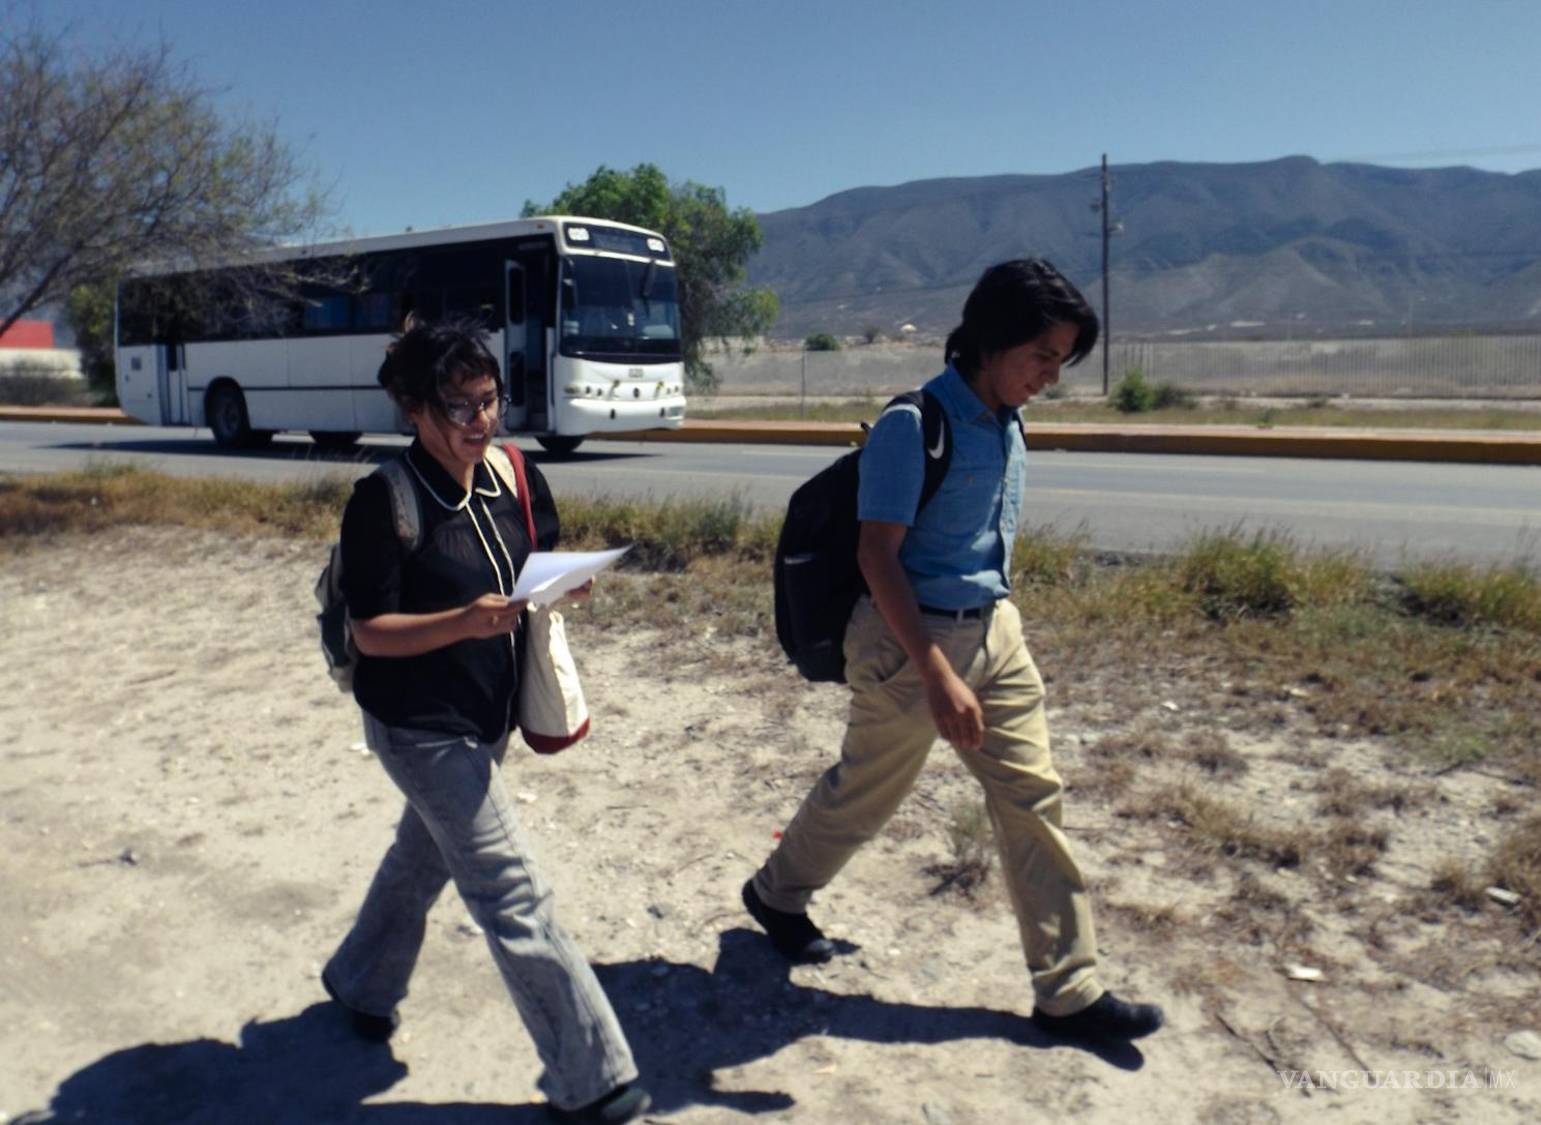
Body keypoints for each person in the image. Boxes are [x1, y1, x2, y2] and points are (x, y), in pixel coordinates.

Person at [742, 260, 1164, 1045]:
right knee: (865, 793)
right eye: (1041, 355)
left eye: (1060, 360)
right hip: (911, 644)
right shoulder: (915, 424)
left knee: (1032, 794)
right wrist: (936, 674)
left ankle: (1067, 990)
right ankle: (776, 893)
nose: (1050, 375)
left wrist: (986, 631)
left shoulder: (1005, 416)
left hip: (993, 628)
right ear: (991, 339)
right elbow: (877, 556)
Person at [321, 319, 649, 1124]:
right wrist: (464, 622)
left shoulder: (514, 475)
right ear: (412, 410)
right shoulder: (383, 500)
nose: (479, 421)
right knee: (511, 888)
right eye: (457, 406)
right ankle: (593, 1080)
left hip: (487, 715)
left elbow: (535, 566)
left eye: (489, 399)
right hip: (418, 725)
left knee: (421, 853)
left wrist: (565, 586)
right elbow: (370, 632)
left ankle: (363, 981)